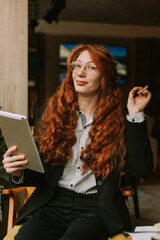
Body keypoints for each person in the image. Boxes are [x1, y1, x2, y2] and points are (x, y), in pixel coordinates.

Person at [3, 44, 153, 240]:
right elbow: (38, 176)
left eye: (91, 67)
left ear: (105, 77)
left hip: (96, 208)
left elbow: (141, 169)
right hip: (52, 204)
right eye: (77, 65)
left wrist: (135, 114)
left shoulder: (118, 122)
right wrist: (18, 172)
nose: (81, 73)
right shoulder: (48, 114)